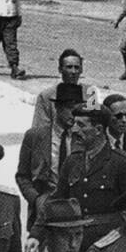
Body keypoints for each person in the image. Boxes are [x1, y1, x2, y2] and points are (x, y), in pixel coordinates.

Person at [53, 105, 126, 252]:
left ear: (98, 130)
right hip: (76, 245)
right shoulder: (72, 161)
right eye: (74, 124)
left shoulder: (122, 162)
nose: (74, 130)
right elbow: (57, 200)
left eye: (80, 125)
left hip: (111, 247)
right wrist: (36, 235)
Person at [16, 82, 82, 227]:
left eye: (78, 111)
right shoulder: (35, 136)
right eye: (70, 109)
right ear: (57, 107)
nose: (74, 115)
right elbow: (22, 175)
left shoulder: (83, 138)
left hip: (76, 210)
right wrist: (36, 199)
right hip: (44, 210)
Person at [31, 49, 99, 133]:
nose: (73, 72)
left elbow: (95, 125)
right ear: (60, 69)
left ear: (81, 70)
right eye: (69, 67)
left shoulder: (89, 94)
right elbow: (40, 129)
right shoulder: (47, 96)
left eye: (77, 67)